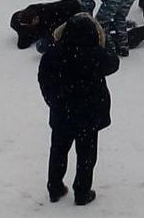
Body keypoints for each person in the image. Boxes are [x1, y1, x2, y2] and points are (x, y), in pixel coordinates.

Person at [38, 13, 119, 206]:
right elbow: (114, 63)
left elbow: (44, 79)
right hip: (89, 116)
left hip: (61, 113)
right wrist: (102, 44)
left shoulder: (53, 53)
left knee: (58, 150)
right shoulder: (96, 55)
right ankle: (82, 192)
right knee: (86, 156)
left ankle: (55, 187)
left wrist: (53, 101)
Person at [10, 0, 144, 53]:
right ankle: (126, 26)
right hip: (74, 26)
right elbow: (22, 43)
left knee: (113, 41)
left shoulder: (48, 12)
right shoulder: (25, 21)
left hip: (78, 18)